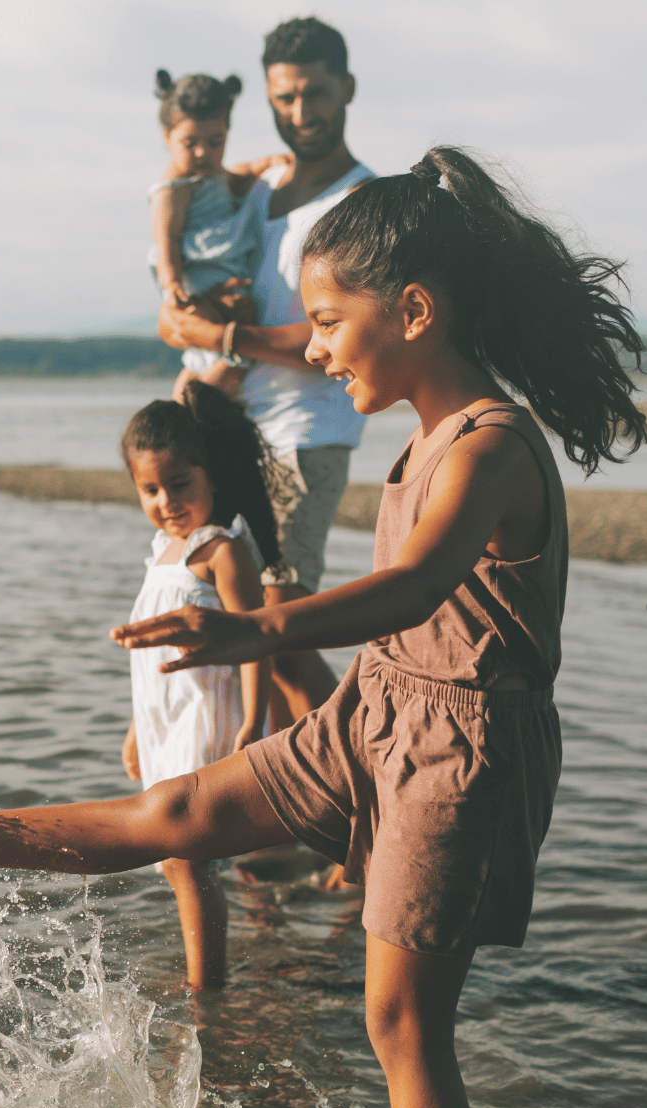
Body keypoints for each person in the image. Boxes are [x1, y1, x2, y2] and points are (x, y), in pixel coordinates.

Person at [0, 146, 646, 1108]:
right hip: (377, 713)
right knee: (178, 805)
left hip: (460, 751)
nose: (319, 345)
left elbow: (420, 585)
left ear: (415, 310)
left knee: (399, 1023)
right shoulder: (424, 426)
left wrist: (254, 631)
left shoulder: (490, 442)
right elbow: (392, 593)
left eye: (332, 323)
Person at [157, 16, 375, 726]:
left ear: (346, 89)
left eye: (315, 94)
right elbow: (184, 290)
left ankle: (366, 776)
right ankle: (280, 818)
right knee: (224, 623)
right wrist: (183, 319)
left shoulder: (361, 202)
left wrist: (225, 335)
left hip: (305, 436)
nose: (301, 113)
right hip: (224, 432)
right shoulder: (255, 188)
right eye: (285, 99)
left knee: (277, 634)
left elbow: (344, 334)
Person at [119, 383, 284, 988]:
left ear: (209, 475)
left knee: (186, 861)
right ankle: (258, 943)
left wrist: (252, 720)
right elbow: (147, 657)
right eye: (150, 490)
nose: (165, 502)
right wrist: (137, 727)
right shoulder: (163, 551)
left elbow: (256, 638)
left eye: (179, 484)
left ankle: (205, 990)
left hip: (210, 724)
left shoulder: (222, 551)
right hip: (166, 725)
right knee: (177, 861)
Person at [147, 71, 287, 401]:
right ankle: (197, 404)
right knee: (221, 339)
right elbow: (165, 239)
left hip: (223, 263)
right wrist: (172, 284)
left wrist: (266, 163)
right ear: (167, 137)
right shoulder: (171, 189)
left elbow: (234, 173)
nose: (202, 153)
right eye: (189, 143)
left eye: (215, 142)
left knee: (213, 344)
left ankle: (200, 394)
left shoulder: (211, 173)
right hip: (194, 271)